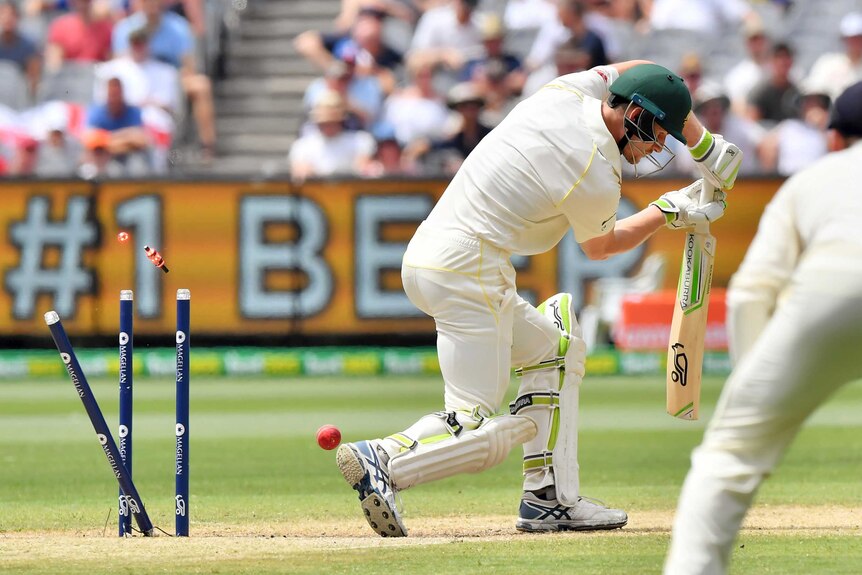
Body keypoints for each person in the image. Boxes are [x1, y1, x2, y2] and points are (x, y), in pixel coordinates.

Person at [334, 60, 742, 537]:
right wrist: (667, 210)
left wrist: (704, 143)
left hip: (435, 256)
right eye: (659, 134)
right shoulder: (594, 166)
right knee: (475, 423)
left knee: (554, 349)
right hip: (470, 267)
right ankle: (383, 458)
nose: (657, 146)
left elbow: (644, 71)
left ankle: (548, 498)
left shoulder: (568, 92)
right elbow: (601, 247)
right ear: (636, 114)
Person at [664, 79, 862, 575]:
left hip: (835, 292)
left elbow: (753, 292)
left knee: (727, 457)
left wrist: (750, 386)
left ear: (834, 138)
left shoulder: (813, 179)